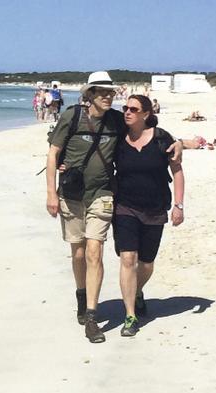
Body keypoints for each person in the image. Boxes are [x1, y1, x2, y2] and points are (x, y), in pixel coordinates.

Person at [45, 71, 182, 343]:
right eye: (102, 92)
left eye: (111, 92)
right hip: (71, 194)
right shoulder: (71, 117)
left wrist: (182, 143)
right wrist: (51, 193)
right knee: (79, 253)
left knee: (95, 251)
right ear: (90, 95)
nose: (109, 96)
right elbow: (53, 154)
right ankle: (81, 294)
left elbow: (149, 133)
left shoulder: (118, 121)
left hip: (103, 193)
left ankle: (92, 317)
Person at [111, 95, 185, 336]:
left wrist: (179, 205)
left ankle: (138, 290)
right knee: (128, 258)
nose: (127, 112)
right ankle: (130, 315)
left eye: (133, 109)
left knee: (147, 263)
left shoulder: (162, 138)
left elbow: (177, 172)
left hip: (155, 208)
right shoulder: (118, 138)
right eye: (125, 108)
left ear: (146, 114)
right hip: (125, 206)